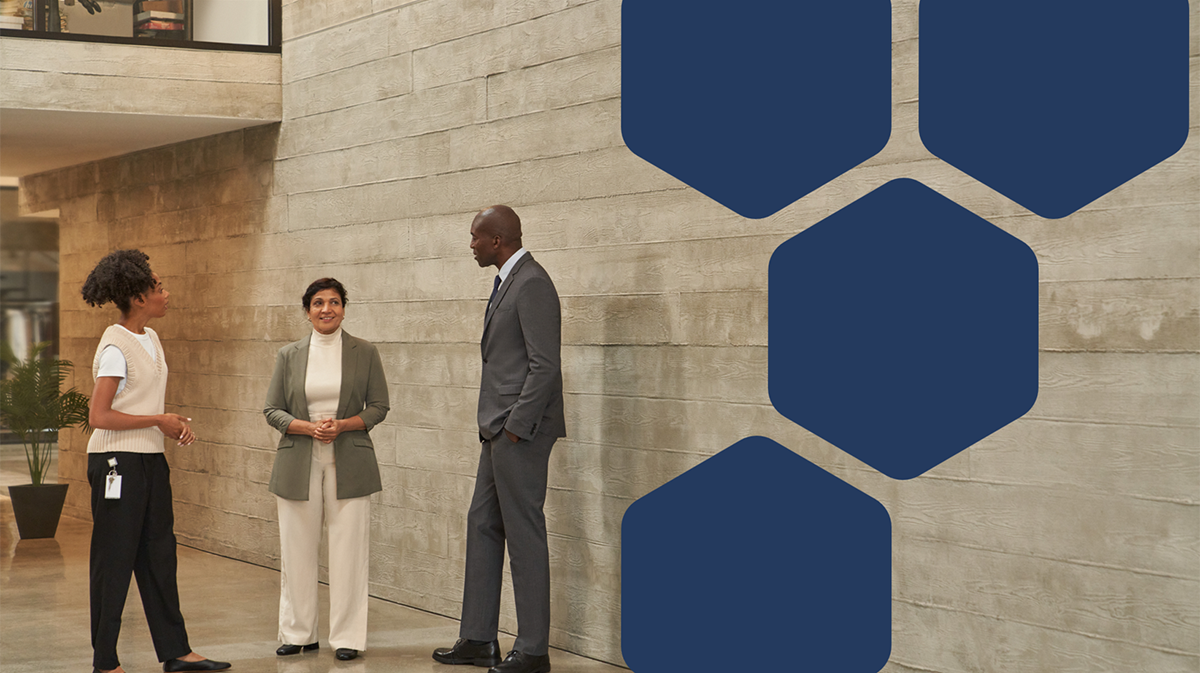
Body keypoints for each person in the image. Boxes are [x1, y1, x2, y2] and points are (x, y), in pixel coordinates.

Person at [81, 249, 230, 673]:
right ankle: (105, 661)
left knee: (160, 554)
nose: (166, 293)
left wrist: (168, 423)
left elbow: (141, 402)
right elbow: (99, 416)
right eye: (159, 287)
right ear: (139, 297)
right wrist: (158, 420)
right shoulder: (114, 346)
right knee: (114, 560)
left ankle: (176, 651)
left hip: (149, 460)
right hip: (116, 464)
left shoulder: (152, 338)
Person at [433, 206, 565, 673]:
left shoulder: (532, 283)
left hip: (518, 432)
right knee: (482, 524)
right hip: (499, 429)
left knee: (524, 535)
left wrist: (515, 426)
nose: (470, 245)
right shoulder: (509, 281)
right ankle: (478, 637)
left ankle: (533, 650)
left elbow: (544, 365)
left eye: (475, 237)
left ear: (497, 239)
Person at [262, 278, 389, 662]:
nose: (326, 309)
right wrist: (306, 427)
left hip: (349, 458)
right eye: (318, 303)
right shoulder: (289, 354)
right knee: (296, 549)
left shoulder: (364, 352)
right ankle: (299, 633)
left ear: (344, 308)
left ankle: (348, 637)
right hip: (298, 458)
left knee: (349, 551)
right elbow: (272, 409)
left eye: (334, 302)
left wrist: (343, 424)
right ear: (307, 311)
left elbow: (379, 406)